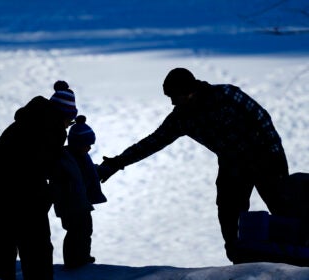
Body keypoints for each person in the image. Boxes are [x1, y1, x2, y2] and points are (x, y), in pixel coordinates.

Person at [99, 68, 289, 263]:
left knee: (282, 206)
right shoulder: (182, 117)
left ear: (189, 91)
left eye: (174, 96)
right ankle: (240, 260)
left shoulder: (227, 95)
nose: (172, 102)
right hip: (232, 164)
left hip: (266, 157)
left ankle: (294, 256)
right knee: (228, 211)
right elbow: (153, 142)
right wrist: (117, 163)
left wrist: (269, 158)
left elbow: (262, 119)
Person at [0, 80, 77, 280]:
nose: (68, 126)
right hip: (3, 200)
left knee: (4, 253)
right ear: (66, 116)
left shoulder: (30, 121)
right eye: (70, 122)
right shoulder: (51, 129)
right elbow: (33, 173)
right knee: (35, 249)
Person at [49, 115, 107, 268]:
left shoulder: (83, 158)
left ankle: (83, 256)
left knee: (86, 229)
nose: (89, 147)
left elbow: (88, 172)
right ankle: (73, 260)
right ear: (77, 143)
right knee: (75, 231)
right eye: (87, 144)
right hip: (70, 203)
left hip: (81, 202)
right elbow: (59, 177)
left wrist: (103, 169)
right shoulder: (63, 157)